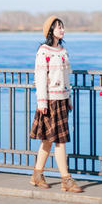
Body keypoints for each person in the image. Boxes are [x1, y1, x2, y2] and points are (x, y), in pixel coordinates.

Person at [28, 15, 83, 192]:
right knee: (58, 141)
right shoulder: (43, 51)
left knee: (48, 141)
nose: (62, 29)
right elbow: (40, 78)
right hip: (49, 101)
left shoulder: (62, 51)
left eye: (62, 27)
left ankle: (37, 174)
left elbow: (67, 78)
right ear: (51, 30)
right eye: (58, 27)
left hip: (62, 101)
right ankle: (66, 179)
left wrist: (69, 99)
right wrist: (42, 102)